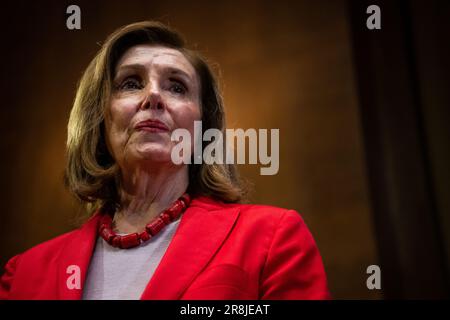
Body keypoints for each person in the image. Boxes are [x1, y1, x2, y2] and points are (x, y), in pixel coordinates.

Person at [0, 21, 330, 300]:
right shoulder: (24, 276)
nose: (153, 96)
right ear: (99, 119)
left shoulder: (271, 238)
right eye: (130, 84)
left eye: (177, 87)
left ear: (204, 128)